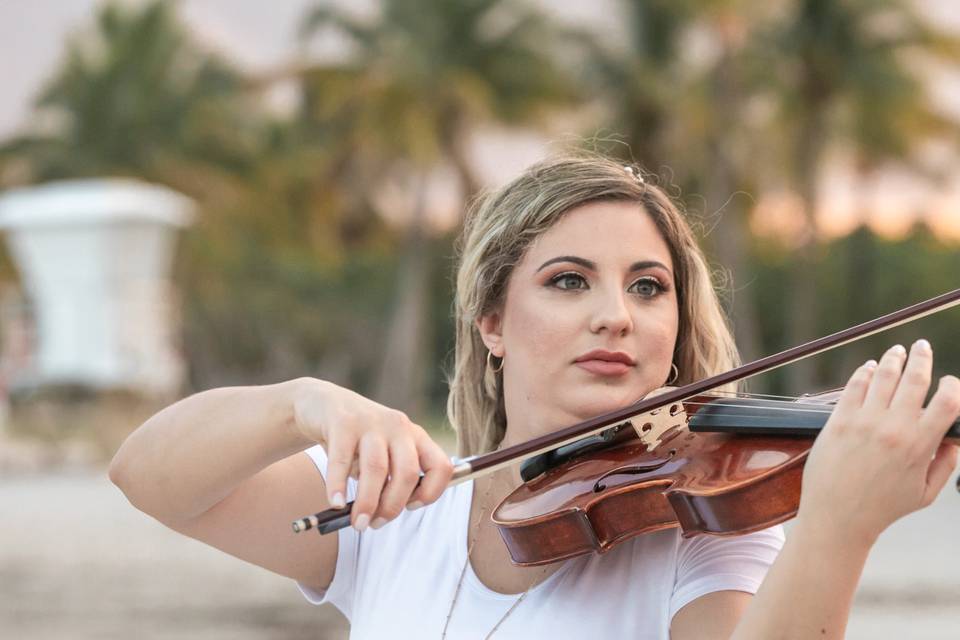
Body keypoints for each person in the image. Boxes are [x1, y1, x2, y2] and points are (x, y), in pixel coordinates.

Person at [110, 154, 960, 639]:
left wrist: (841, 526)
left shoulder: (700, 531)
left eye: (648, 287)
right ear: (492, 321)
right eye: (568, 281)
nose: (615, 317)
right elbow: (147, 475)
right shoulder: (405, 510)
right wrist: (305, 403)